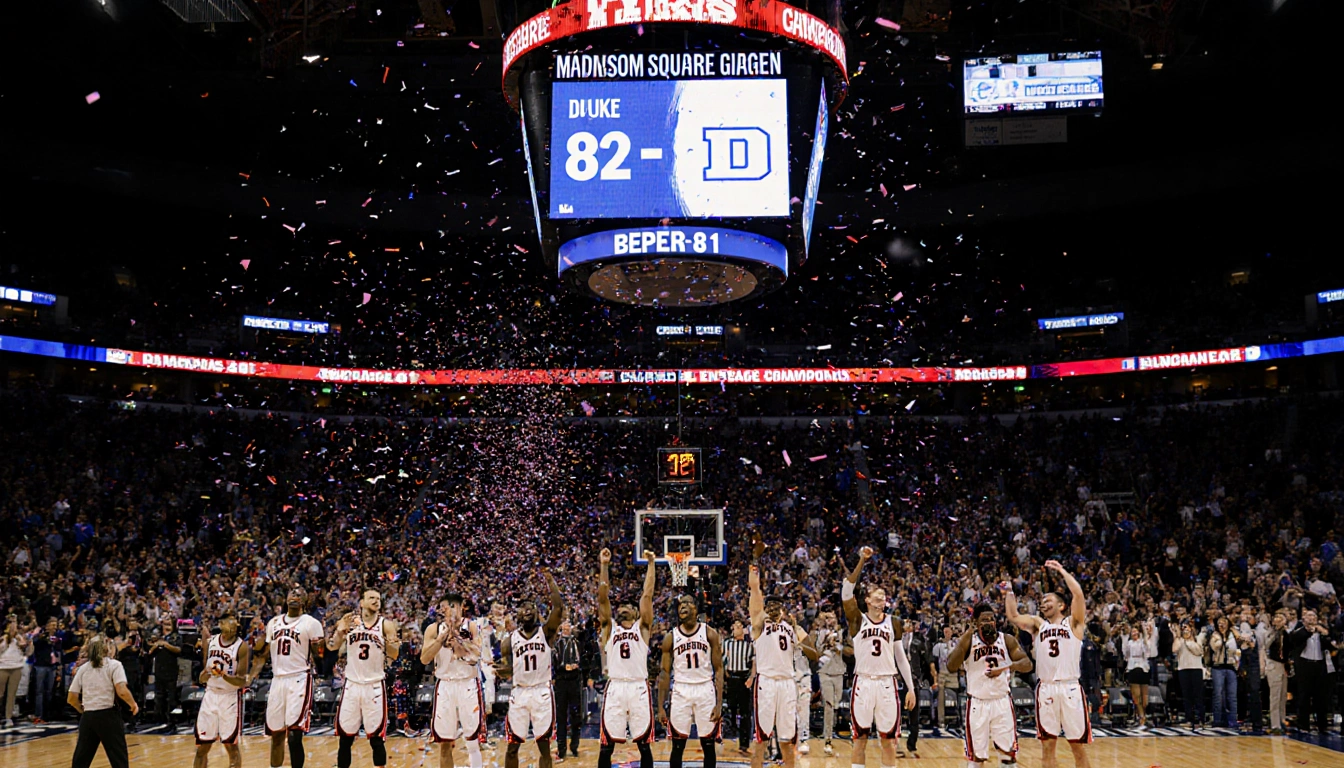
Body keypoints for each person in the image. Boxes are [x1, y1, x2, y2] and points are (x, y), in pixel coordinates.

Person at [1003, 561, 1092, 768]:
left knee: (1077, 747)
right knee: (1047, 747)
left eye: (1048, 600)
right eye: (1042, 601)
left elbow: (1078, 595)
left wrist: (1061, 571)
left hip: (1070, 687)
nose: (1043, 603)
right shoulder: (1037, 624)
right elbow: (1013, 616)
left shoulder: (1073, 623)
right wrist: (1008, 591)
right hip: (1046, 688)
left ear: (1061, 605)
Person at [842, 547, 916, 768]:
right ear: (867, 600)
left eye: (884, 596)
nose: (882, 598)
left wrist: (910, 688)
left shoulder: (893, 622)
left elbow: (901, 658)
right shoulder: (857, 619)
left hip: (887, 683)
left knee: (888, 741)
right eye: (877, 595)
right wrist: (862, 561)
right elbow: (846, 591)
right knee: (860, 739)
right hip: (863, 682)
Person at [747, 538, 817, 768]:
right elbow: (755, 589)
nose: (773, 608)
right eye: (770, 605)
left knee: (788, 741)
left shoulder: (791, 627)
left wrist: (798, 630)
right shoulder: (759, 624)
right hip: (766, 683)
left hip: (788, 683)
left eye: (778, 605)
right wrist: (755, 561)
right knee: (761, 740)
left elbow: (813, 654)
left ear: (784, 610)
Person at [948, 603, 1031, 768]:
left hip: (1002, 702)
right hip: (978, 703)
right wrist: (965, 637)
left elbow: (1027, 663)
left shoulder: (1006, 640)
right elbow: (951, 666)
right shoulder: (969, 641)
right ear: (976, 622)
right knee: (977, 758)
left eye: (991, 619)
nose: (989, 623)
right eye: (984, 620)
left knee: (1008, 754)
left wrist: (1006, 667)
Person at [251, 585, 325, 768]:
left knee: (294, 734)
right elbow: (263, 654)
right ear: (286, 598)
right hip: (277, 680)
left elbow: (320, 655)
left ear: (305, 602)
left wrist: (321, 647)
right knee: (276, 734)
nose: (295, 595)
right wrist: (251, 676)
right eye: (292, 592)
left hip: (299, 678)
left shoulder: (311, 623)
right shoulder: (273, 623)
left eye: (300, 594)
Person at [596, 548, 657, 768]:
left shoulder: (643, 627)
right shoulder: (609, 628)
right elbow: (603, 598)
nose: (621, 609)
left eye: (626, 607)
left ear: (635, 611)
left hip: (638, 688)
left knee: (643, 743)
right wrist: (604, 566)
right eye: (618, 607)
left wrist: (651, 564)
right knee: (607, 745)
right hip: (616, 688)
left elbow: (647, 595)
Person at [498, 570, 564, 768]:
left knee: (543, 745)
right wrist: (502, 671)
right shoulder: (508, 642)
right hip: (519, 692)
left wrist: (551, 582)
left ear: (537, 613)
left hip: (541, 692)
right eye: (523, 608)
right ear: (517, 614)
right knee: (512, 746)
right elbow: (508, 670)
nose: (526, 610)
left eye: (530, 608)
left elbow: (558, 608)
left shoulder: (546, 632)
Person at [330, 587, 400, 768]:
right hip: (352, 685)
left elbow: (394, 653)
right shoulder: (349, 621)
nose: (376, 601)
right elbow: (331, 647)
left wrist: (391, 642)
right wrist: (339, 631)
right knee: (345, 738)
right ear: (361, 603)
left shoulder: (386, 625)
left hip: (374, 685)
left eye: (378, 598)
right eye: (371, 598)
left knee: (376, 739)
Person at [658, 593, 725, 768]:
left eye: (688, 603)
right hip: (681, 690)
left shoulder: (709, 633)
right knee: (678, 746)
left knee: (708, 745)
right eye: (680, 604)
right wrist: (660, 707)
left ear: (696, 609)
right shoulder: (670, 637)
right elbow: (664, 673)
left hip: (705, 689)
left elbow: (719, 669)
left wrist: (719, 704)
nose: (683, 606)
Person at [422, 594, 485, 768]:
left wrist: (458, 638)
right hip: (445, 685)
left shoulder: (472, 626)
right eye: (443, 607)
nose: (447, 609)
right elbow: (425, 658)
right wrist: (441, 639)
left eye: (451, 605)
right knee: (444, 743)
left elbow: (477, 655)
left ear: (461, 607)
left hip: (467, 684)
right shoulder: (433, 629)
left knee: (472, 741)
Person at [67, 633, 140, 768]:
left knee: (81, 760)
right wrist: (133, 704)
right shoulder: (114, 665)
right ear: (107, 648)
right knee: (119, 759)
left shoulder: (83, 668)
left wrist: (82, 710)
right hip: (108, 716)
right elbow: (122, 690)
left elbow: (71, 697)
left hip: (88, 717)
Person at [194, 610, 250, 768]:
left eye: (235, 623)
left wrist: (223, 675)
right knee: (202, 748)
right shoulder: (210, 642)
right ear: (221, 624)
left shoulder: (242, 647)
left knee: (231, 746)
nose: (233, 626)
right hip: (210, 695)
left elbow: (241, 681)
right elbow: (202, 676)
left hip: (229, 697)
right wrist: (206, 676)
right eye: (229, 622)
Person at [1286, 608, 1334, 733]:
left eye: (1314, 616)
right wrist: (1308, 631)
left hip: (1320, 665)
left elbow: (1331, 644)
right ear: (1303, 620)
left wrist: (1325, 634)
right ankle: (1303, 725)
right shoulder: (1299, 631)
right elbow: (1294, 641)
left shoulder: (1322, 631)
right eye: (1309, 616)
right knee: (1304, 696)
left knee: (1321, 697)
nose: (1312, 619)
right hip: (1304, 666)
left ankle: (1322, 726)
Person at [810, 610, 848, 755]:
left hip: (838, 671)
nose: (829, 620)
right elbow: (817, 652)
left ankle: (832, 729)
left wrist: (838, 646)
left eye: (831, 617)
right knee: (829, 705)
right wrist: (826, 641)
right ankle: (828, 738)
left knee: (836, 703)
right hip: (824, 671)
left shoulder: (843, 632)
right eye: (827, 618)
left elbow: (849, 650)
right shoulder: (821, 633)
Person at [899, 618, 934, 758]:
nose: (907, 626)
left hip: (913, 680)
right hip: (898, 679)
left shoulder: (919, 641)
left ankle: (912, 746)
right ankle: (893, 744)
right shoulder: (895, 640)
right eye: (905, 623)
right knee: (895, 713)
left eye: (909, 623)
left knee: (914, 714)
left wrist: (924, 678)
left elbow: (926, 661)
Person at [552, 618, 585, 761]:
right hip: (561, 681)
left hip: (574, 680)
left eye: (568, 627)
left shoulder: (577, 643)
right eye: (563, 627)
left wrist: (579, 667)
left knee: (576, 715)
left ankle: (575, 745)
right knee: (561, 716)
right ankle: (561, 748)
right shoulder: (556, 644)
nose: (566, 629)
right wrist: (561, 668)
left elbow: (583, 659)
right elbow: (553, 663)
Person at [722, 619, 755, 754]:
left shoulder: (749, 645)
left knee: (746, 713)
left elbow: (754, 662)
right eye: (735, 626)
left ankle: (744, 744)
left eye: (739, 626)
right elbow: (721, 660)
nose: (736, 629)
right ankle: (731, 732)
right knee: (731, 709)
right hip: (731, 679)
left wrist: (752, 677)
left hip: (744, 678)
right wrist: (724, 675)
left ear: (744, 629)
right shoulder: (727, 643)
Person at [149, 616, 184, 731]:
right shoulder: (157, 638)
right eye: (165, 624)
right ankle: (161, 720)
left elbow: (178, 650)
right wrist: (155, 645)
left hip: (171, 671)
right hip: (159, 671)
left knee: (171, 698)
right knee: (159, 697)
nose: (167, 626)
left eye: (169, 624)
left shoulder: (176, 637)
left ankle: (172, 722)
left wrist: (165, 644)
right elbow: (149, 651)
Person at [1206, 616, 1240, 729]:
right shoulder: (1214, 635)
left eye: (1224, 622)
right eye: (1219, 623)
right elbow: (1215, 647)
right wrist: (1221, 639)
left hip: (1231, 667)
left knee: (1232, 695)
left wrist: (1233, 632)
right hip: (1218, 667)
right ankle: (1217, 720)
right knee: (1218, 694)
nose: (1222, 625)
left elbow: (1238, 648)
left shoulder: (1233, 635)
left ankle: (1233, 720)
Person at [1120, 622, 1157, 728]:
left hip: (1143, 668)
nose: (1134, 633)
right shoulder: (1129, 643)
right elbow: (1125, 654)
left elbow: (1147, 651)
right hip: (1132, 668)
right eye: (1132, 632)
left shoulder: (1143, 642)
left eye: (1136, 631)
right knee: (1136, 696)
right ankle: (1141, 717)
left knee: (1144, 697)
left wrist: (1145, 633)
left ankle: (1143, 714)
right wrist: (1124, 637)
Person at [1172, 622, 1206, 728]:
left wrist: (1188, 640)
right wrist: (1177, 636)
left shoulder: (1198, 639)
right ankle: (1189, 718)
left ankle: (1200, 719)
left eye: (1186, 627)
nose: (1185, 630)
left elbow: (1199, 651)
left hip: (1196, 669)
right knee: (1187, 696)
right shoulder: (1180, 640)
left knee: (1198, 695)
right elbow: (1174, 649)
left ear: (1191, 628)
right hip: (1183, 669)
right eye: (1183, 628)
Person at [1, 613, 31, 727]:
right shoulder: (3, 637)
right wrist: (7, 641)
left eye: (15, 623)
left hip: (16, 666)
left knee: (11, 694)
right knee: (0, 694)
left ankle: (8, 717)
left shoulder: (20, 637)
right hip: (3, 667)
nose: (14, 626)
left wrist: (25, 644)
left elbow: (27, 652)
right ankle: (1, 715)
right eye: (11, 623)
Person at [931, 625, 960, 735]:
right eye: (945, 631)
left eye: (949, 631)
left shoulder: (956, 644)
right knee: (940, 697)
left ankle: (959, 717)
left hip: (953, 673)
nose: (947, 633)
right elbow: (935, 659)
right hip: (942, 673)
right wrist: (935, 675)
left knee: (958, 694)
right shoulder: (938, 645)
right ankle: (940, 720)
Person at [1264, 610, 1289, 734]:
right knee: (1275, 695)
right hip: (1274, 664)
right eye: (1276, 617)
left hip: (1284, 665)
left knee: (1283, 696)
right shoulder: (1270, 632)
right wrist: (1276, 632)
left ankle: (1282, 720)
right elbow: (1266, 645)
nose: (1279, 620)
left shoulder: (1287, 632)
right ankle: (1275, 724)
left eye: (1281, 617)